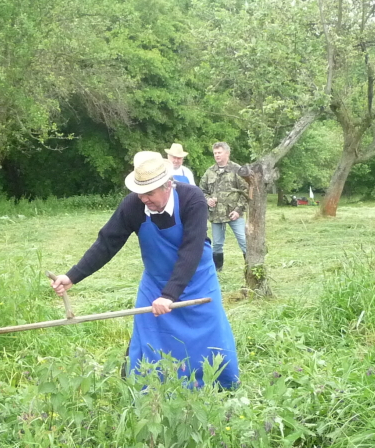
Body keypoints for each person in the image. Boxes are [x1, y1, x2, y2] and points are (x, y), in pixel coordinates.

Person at [50, 151, 239, 389]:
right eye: (140, 193)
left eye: (149, 193)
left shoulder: (192, 199)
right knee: (150, 335)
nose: (143, 199)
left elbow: (191, 250)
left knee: (208, 334)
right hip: (155, 283)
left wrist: (170, 295)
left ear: (168, 185)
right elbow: (107, 243)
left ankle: (218, 386)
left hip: (197, 279)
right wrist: (72, 276)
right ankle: (149, 389)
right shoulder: (133, 205)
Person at [199, 141, 248, 272]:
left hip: (234, 213)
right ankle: (217, 270)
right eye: (215, 153)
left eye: (219, 152)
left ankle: (250, 268)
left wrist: (238, 210)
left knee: (244, 240)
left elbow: (246, 191)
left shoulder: (237, 170)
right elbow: (201, 190)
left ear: (227, 153)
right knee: (217, 244)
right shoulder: (210, 171)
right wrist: (208, 199)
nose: (217, 155)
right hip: (216, 214)